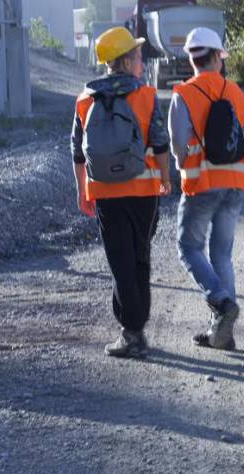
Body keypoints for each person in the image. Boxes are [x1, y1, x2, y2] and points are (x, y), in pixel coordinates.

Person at [71, 26, 171, 359]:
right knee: (140, 256)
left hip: (105, 193)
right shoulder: (145, 95)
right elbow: (159, 143)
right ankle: (135, 330)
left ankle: (132, 331)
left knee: (120, 262)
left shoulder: (85, 99)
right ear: (125, 63)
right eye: (138, 56)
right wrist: (166, 178)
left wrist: (82, 191)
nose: (142, 61)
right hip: (143, 191)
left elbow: (77, 151)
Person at [168, 27, 244, 351]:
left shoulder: (184, 94)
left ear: (192, 58)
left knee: (189, 248)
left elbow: (177, 143)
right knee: (222, 254)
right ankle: (223, 334)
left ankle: (221, 303)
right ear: (217, 57)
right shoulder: (237, 93)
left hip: (202, 183)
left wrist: (182, 163)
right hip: (235, 183)